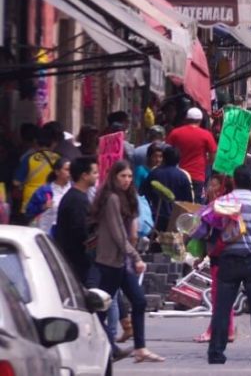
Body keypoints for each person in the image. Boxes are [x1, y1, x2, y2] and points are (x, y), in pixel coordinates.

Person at [194, 166, 251, 365]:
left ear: (234, 181)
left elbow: (203, 228)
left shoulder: (221, 202)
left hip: (227, 261)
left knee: (222, 309)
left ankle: (216, 353)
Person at [91, 160, 164, 363]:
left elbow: (129, 231)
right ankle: (101, 345)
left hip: (120, 261)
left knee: (138, 301)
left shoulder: (126, 197)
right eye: (122, 176)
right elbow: (117, 234)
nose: (127, 180)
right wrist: (136, 257)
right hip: (110, 261)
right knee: (100, 311)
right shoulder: (112, 198)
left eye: (130, 176)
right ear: (114, 177)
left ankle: (140, 348)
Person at [193, 175, 236, 344]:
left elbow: (212, 231)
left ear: (222, 187)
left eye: (213, 185)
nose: (209, 188)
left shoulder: (220, 207)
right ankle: (230, 330)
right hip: (220, 254)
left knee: (218, 296)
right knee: (225, 295)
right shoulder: (219, 206)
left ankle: (213, 331)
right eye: (209, 185)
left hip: (221, 254)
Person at [54, 157, 98, 283]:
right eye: (94, 173)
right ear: (84, 175)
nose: (97, 176)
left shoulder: (78, 196)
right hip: (75, 261)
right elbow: (80, 232)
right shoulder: (77, 200)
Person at [167, 107, 217, 203]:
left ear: (186, 119)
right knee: (195, 205)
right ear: (200, 120)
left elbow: (167, 151)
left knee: (178, 204)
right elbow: (213, 156)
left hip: (178, 174)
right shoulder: (206, 135)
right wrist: (206, 163)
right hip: (197, 176)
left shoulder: (175, 133)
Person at [139, 145, 194, 231]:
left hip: (155, 216)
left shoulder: (155, 173)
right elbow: (188, 201)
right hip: (174, 218)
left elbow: (143, 193)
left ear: (163, 158)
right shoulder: (183, 176)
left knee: (154, 241)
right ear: (178, 160)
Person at [13, 123, 61, 219]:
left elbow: (16, 182)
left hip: (31, 202)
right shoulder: (58, 158)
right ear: (52, 143)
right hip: (51, 199)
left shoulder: (29, 159)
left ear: (36, 142)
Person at [25, 157, 71, 233]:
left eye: (71, 170)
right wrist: (42, 207)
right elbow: (29, 211)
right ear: (57, 172)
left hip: (66, 232)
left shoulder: (73, 189)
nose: (70, 172)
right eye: (67, 169)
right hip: (46, 232)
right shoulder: (45, 190)